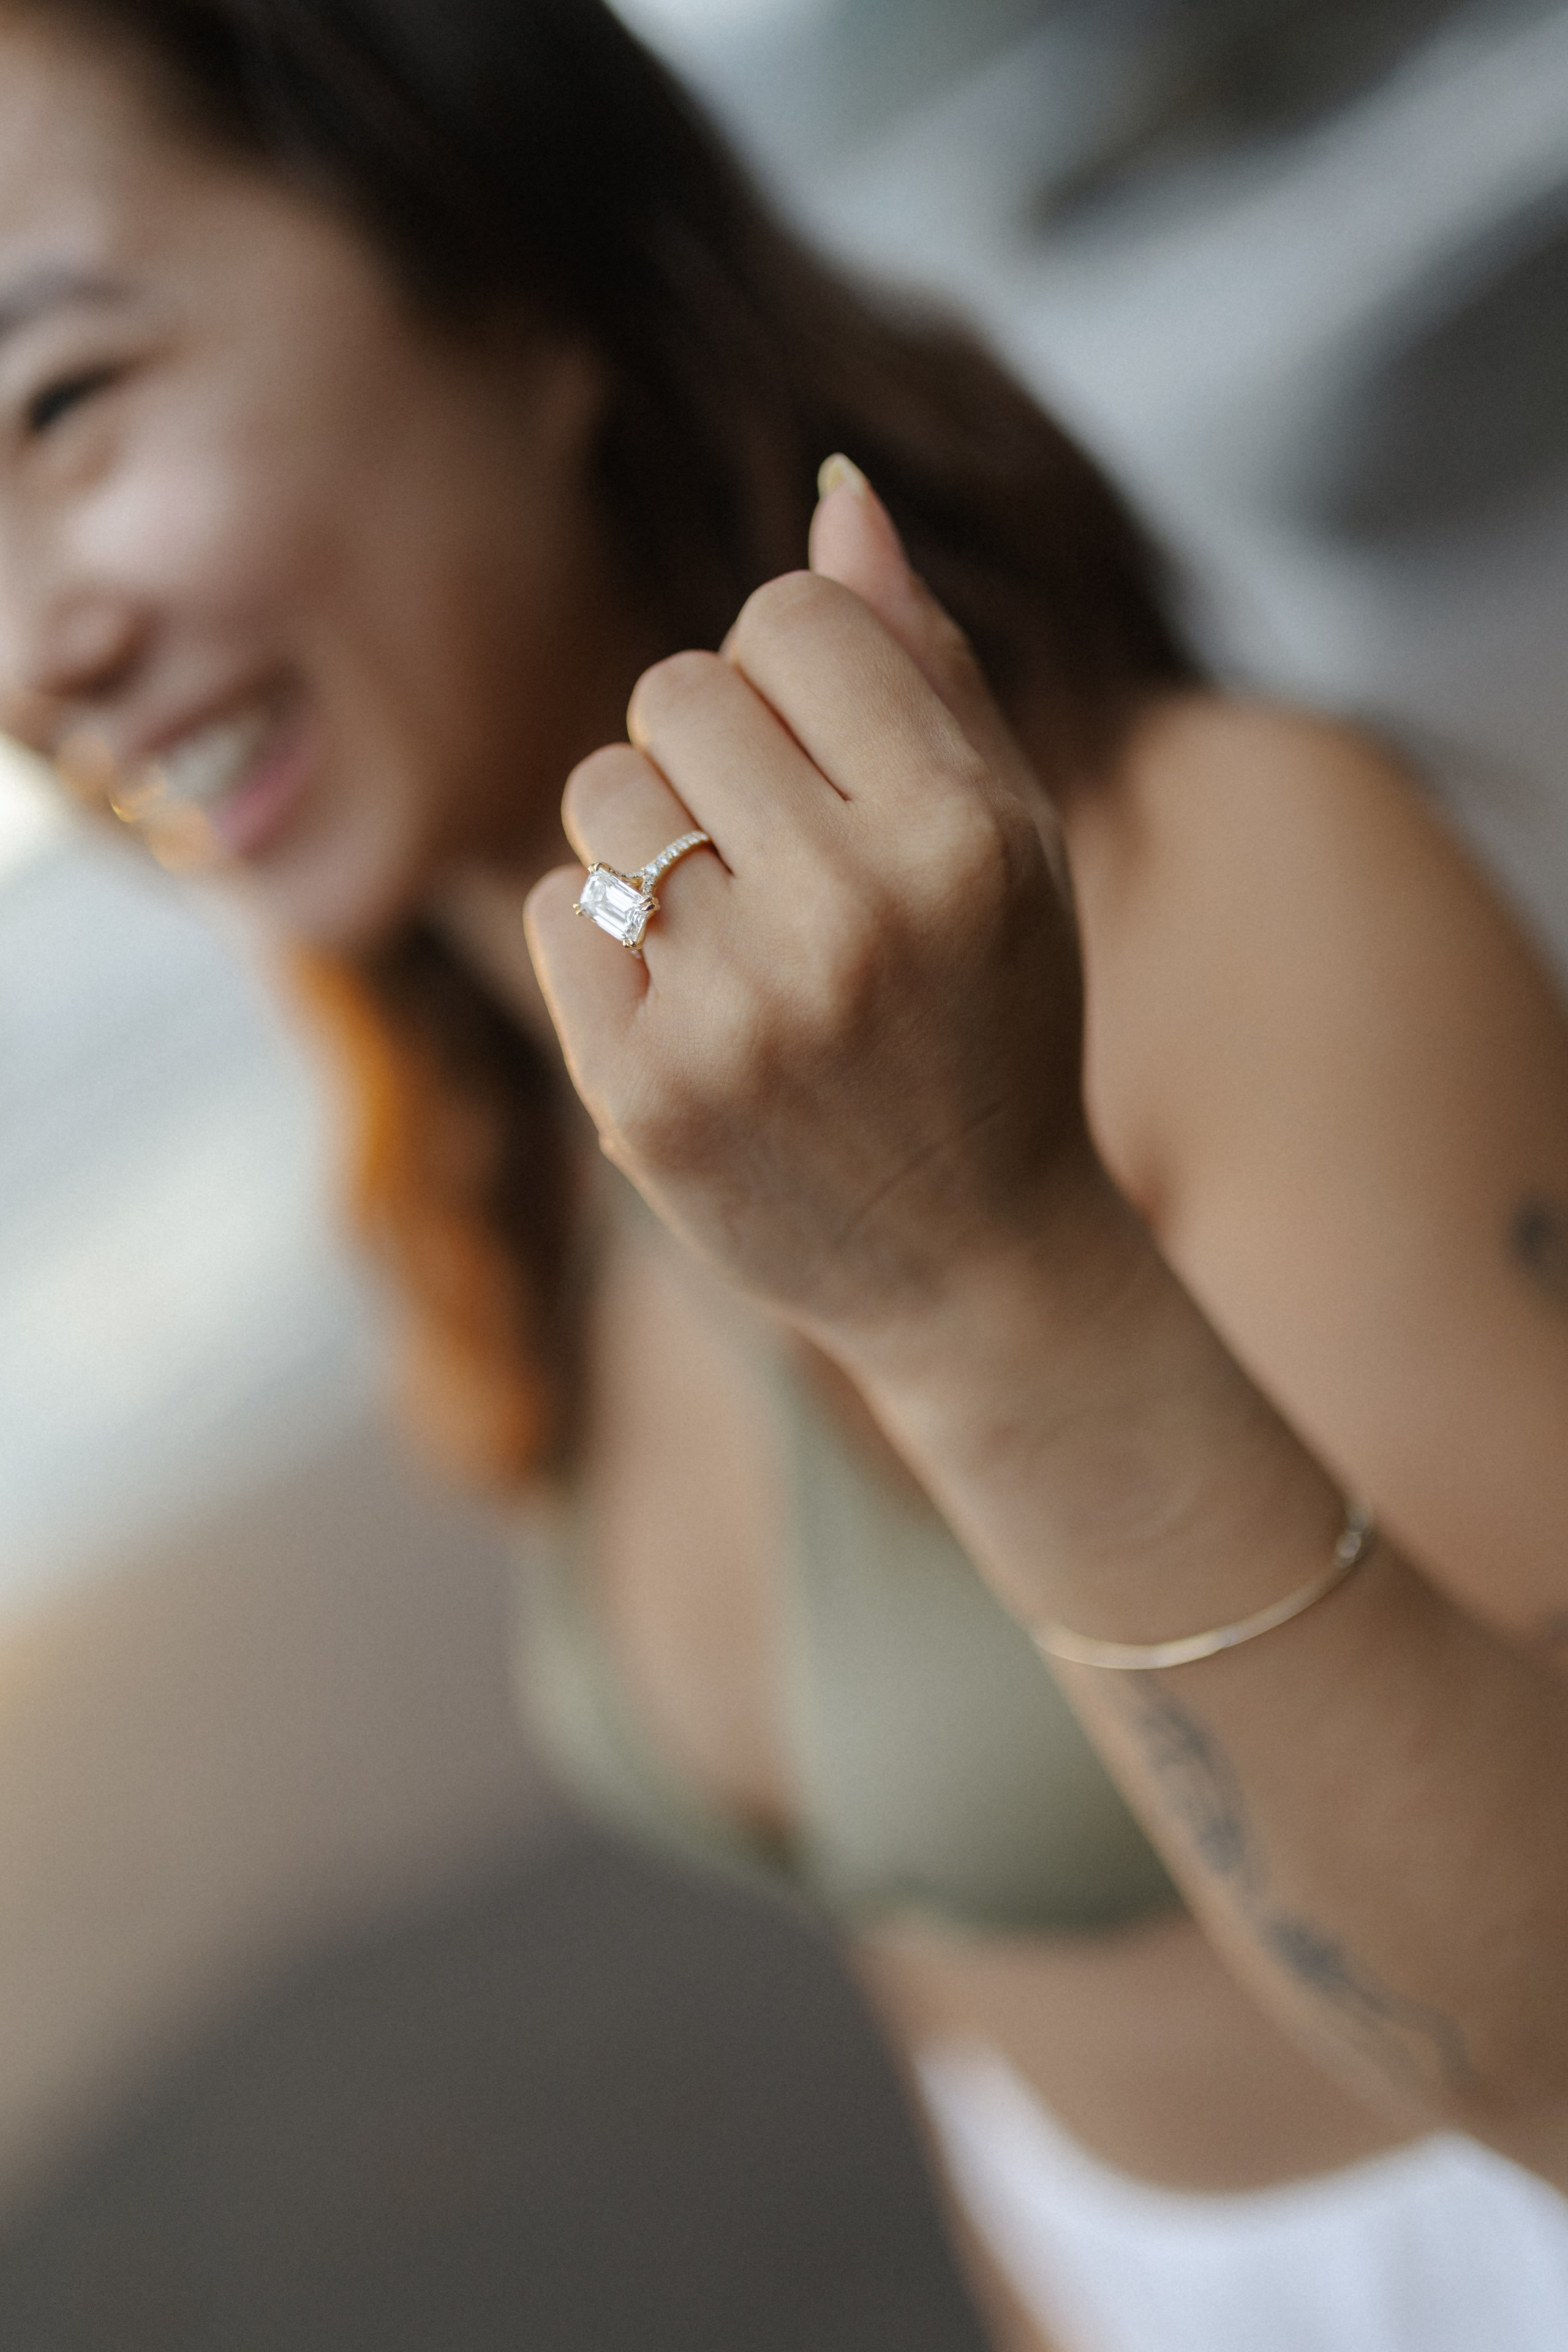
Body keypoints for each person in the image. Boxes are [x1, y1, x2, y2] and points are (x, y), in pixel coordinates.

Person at [1, 4, 1567, 2346]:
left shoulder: (1220, 879)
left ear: (503, 270)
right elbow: (951, 1998)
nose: (39, 640)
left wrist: (988, 1277)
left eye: (61, 408)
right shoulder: (522, 1138)